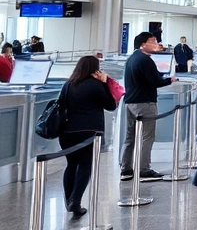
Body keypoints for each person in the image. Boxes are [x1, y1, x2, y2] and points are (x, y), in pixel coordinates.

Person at [61, 55, 118, 218]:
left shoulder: (68, 84)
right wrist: (105, 83)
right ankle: (76, 201)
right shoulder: (95, 85)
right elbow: (111, 105)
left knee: (71, 165)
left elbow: (61, 105)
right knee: (85, 165)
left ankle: (69, 200)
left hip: (67, 132)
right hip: (89, 132)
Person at [120, 32, 176, 181]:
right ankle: (144, 168)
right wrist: (170, 80)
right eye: (153, 41)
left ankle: (126, 168)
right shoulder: (145, 60)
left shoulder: (131, 58)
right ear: (143, 44)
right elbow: (156, 81)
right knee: (147, 136)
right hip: (144, 103)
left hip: (130, 102)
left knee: (130, 136)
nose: (156, 43)